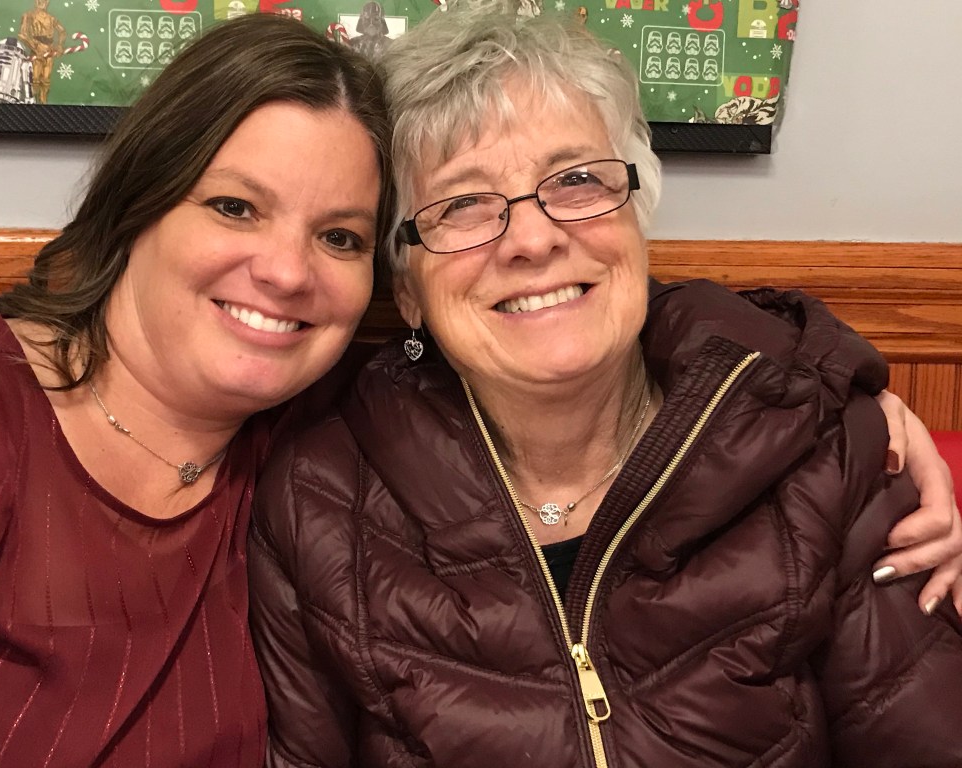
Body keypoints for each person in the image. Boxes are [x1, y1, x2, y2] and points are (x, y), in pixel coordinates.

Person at [247, 8, 962, 767]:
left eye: (577, 180)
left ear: (636, 222)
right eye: (462, 205)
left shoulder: (817, 437)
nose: (533, 239)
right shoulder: (322, 501)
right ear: (410, 290)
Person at [0, 14, 392, 766]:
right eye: (235, 207)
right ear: (139, 203)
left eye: (340, 237)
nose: (287, 272)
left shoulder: (326, 453)